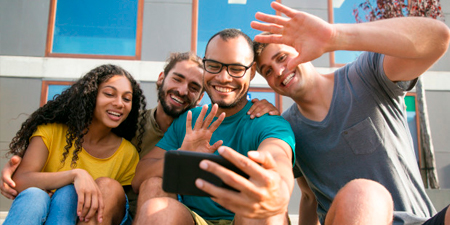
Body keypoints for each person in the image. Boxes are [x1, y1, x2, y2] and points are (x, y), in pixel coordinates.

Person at [0, 52, 280, 220]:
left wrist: (259, 105)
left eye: (194, 86)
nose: (183, 90)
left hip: (168, 215)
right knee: (109, 186)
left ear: (202, 94)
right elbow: (82, 140)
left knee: (151, 184)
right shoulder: (127, 127)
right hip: (96, 208)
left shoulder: (204, 127)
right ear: (161, 78)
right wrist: (17, 173)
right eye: (178, 79)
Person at [251, 1, 450, 225]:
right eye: (267, 71)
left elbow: (438, 38)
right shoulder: (287, 129)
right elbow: (309, 196)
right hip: (352, 215)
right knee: (364, 194)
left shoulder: (366, 76)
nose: (278, 71)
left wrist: (334, 36)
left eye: (281, 57)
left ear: (300, 48)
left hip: (424, 221)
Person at [132, 28, 296, 225]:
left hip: (243, 218)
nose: (223, 77)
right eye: (214, 66)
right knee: (153, 186)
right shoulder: (190, 120)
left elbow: (278, 155)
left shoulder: (268, 121)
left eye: (236, 68)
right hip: (192, 220)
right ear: (204, 65)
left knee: (262, 203)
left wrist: (279, 185)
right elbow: (139, 178)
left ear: (251, 72)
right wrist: (182, 155)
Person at [2, 64, 147, 225]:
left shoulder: (127, 153)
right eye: (109, 94)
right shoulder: (50, 132)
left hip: (83, 219)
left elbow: (120, 209)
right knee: (34, 196)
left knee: (69, 195)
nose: (120, 103)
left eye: (127, 98)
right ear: (90, 96)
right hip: (37, 213)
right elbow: (20, 181)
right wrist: (75, 175)